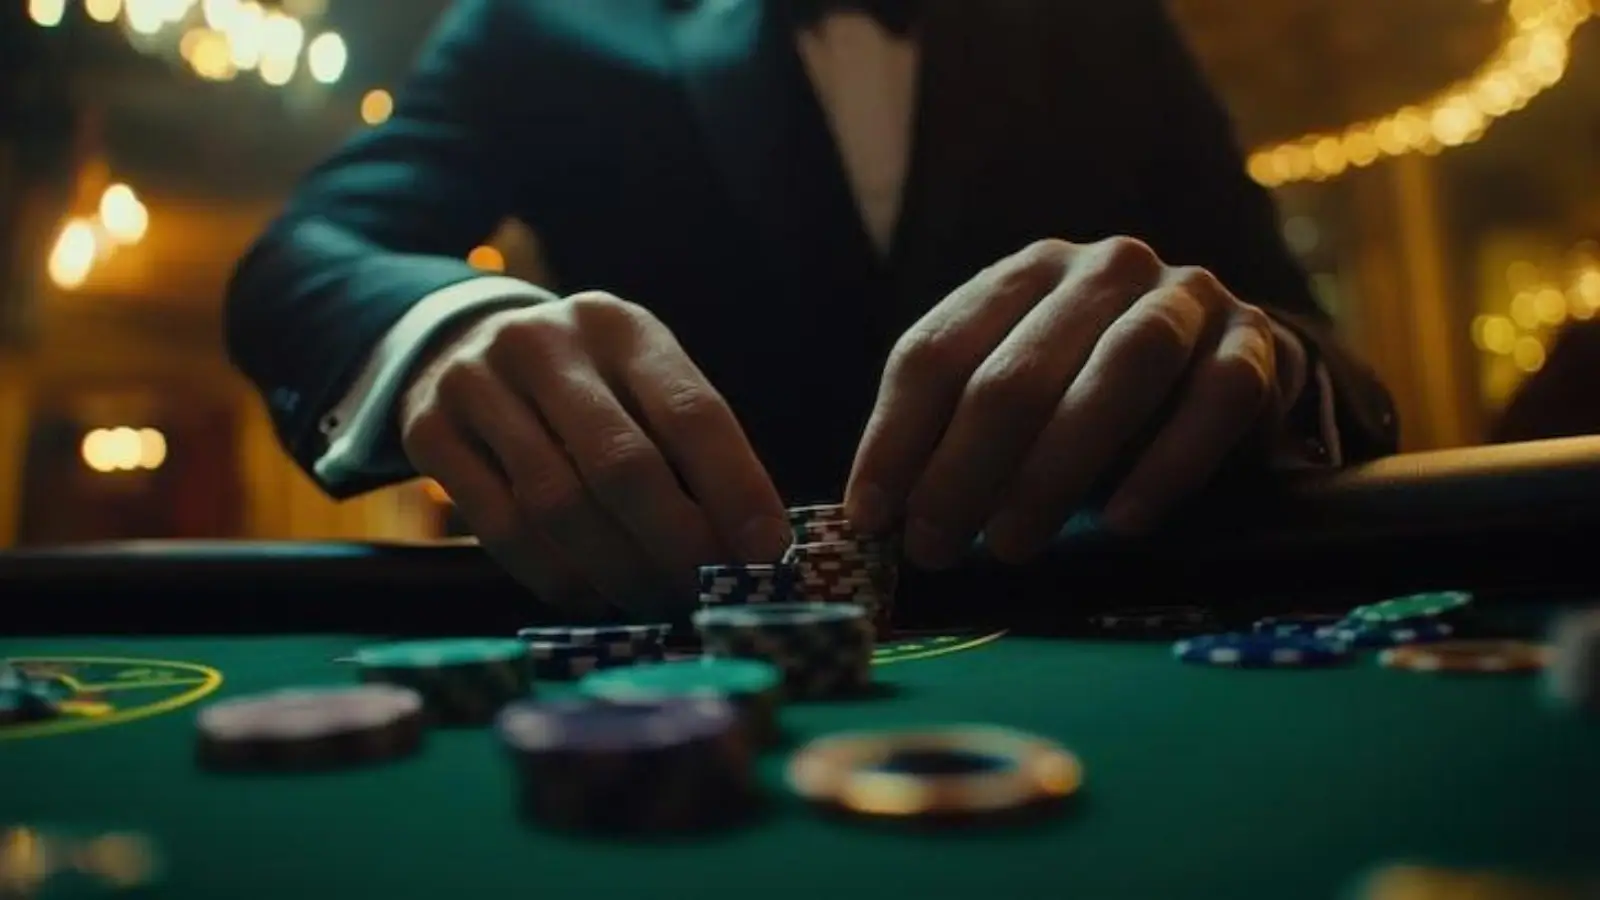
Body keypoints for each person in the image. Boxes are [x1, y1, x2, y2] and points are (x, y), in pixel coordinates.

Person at [224, 0, 1398, 619]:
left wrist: (1254, 358)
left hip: (1101, 629)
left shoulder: (1103, 19)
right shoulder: (540, 19)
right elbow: (308, 254)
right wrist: (449, 328)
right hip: (690, 659)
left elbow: (1312, 349)